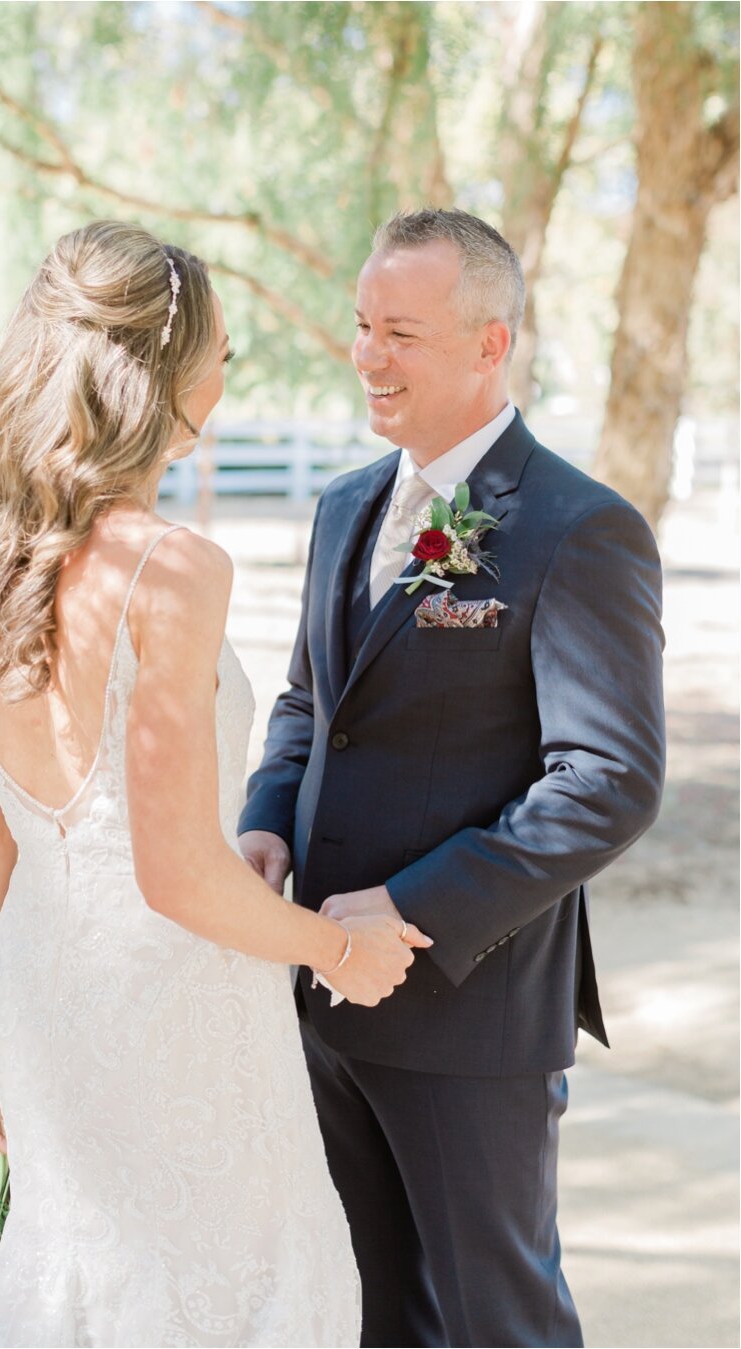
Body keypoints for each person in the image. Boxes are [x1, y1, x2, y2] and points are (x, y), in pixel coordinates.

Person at [0, 220, 433, 1347]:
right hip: (178, 1008)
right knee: (236, 1285)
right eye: (222, 351)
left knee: (94, 1286)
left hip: (42, 998)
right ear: (164, 370)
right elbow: (175, 874)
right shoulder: (171, 566)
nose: (229, 372)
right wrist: (341, 949)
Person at [239, 208, 666, 1349]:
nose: (368, 356)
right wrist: (265, 822)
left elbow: (608, 779)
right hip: (325, 991)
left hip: (472, 1015)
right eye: (363, 326)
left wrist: (414, 905)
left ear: (492, 344)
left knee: (499, 1319)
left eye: (402, 333)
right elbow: (307, 706)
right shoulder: (342, 507)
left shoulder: (581, 528)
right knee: (367, 1315)